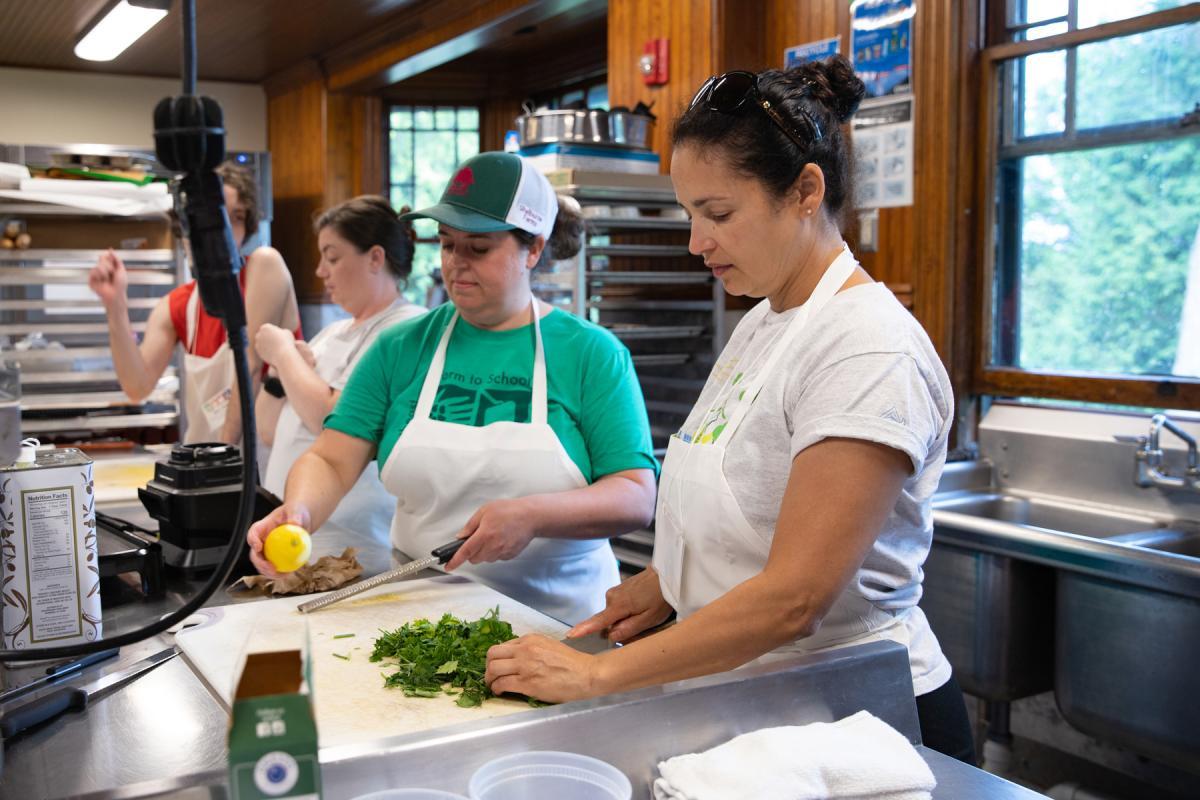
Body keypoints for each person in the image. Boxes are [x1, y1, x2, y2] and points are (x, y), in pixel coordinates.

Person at [483, 57, 977, 764]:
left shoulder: (869, 347)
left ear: (806, 191)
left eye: (718, 214)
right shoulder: (766, 321)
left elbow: (795, 596)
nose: (696, 243)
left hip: (860, 723)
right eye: (689, 214)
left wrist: (597, 674)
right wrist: (671, 582)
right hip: (756, 701)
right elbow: (754, 504)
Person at [246, 152, 658, 625]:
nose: (456, 264)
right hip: (420, 613)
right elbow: (331, 459)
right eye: (446, 244)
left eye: (478, 248)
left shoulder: (591, 353)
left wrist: (535, 514)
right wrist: (298, 510)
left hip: (560, 622)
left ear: (534, 249)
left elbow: (634, 494)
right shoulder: (401, 347)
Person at [89, 161, 301, 444]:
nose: (225, 232)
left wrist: (221, 460)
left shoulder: (265, 266)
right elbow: (137, 387)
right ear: (187, 226)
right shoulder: (179, 305)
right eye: (216, 218)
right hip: (211, 464)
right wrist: (115, 308)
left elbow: (249, 365)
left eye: (237, 217)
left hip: (267, 464)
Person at [255, 195, 425, 539]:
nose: (321, 270)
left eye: (332, 257)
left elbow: (331, 418)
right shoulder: (331, 332)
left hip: (353, 535)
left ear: (375, 258)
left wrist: (284, 354)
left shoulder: (405, 329)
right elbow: (270, 431)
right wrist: (278, 374)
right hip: (297, 527)